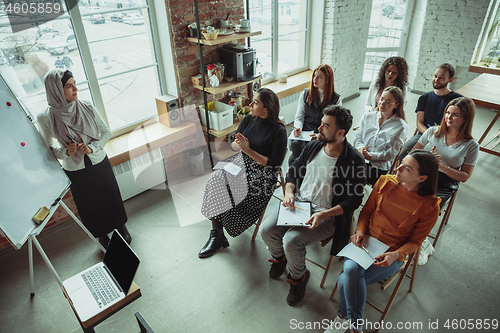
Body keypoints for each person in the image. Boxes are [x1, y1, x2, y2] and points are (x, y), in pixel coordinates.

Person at [324, 150, 441, 333]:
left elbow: (415, 242)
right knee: (351, 271)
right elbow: (366, 212)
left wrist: (396, 254)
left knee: (346, 277)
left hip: (392, 253)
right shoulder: (385, 181)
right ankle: (356, 326)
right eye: (401, 162)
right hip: (367, 241)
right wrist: (360, 230)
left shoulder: (430, 207)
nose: (399, 167)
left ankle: (343, 318)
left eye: (407, 168)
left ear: (422, 178)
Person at [261, 105, 366, 306]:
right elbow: (293, 170)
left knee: (292, 241)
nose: (319, 128)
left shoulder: (354, 161)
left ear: (341, 132)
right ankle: (280, 259)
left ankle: (298, 278)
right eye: (321, 123)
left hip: (325, 215)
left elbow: (354, 200)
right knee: (266, 230)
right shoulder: (314, 146)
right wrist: (289, 191)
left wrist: (325, 214)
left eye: (326, 126)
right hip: (299, 204)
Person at [37, 69, 131, 249]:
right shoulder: (45, 117)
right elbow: (47, 149)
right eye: (68, 86)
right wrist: (65, 151)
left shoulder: (86, 106)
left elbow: (106, 132)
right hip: (75, 169)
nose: (75, 89)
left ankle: (121, 227)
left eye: (75, 83)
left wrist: (92, 147)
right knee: (89, 204)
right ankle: (101, 235)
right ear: (56, 90)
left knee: (110, 195)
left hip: (98, 161)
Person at [199, 87, 287, 258]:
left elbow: (274, 165)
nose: (251, 104)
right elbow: (233, 145)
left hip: (263, 173)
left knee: (236, 190)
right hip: (242, 162)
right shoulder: (248, 120)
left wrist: (247, 151)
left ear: (267, 109)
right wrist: (238, 145)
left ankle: (223, 231)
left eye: (256, 102)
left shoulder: (279, 131)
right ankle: (217, 234)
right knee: (216, 178)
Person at [412, 97, 479, 206]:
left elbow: (465, 176)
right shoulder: (432, 131)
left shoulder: (472, 145)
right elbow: (413, 152)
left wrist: (443, 167)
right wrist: (426, 158)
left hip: (445, 182)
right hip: (423, 172)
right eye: (448, 112)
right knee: (404, 194)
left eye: (455, 115)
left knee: (427, 206)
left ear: (466, 118)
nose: (449, 117)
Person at [399, 63, 463, 162]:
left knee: (440, 160)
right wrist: (430, 136)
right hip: (424, 134)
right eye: (435, 76)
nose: (436, 80)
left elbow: (459, 125)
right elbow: (419, 123)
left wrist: (439, 139)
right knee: (405, 152)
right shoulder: (424, 98)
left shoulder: (458, 100)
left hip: (447, 137)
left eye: (441, 77)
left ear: (450, 79)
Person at [289, 64, 342, 166]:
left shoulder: (336, 99)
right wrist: (298, 128)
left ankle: (300, 172)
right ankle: (304, 170)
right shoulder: (305, 94)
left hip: (322, 133)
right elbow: (299, 117)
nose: (315, 79)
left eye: (319, 77)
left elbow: (335, 125)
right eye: (314, 76)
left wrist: (320, 135)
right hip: (304, 131)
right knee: (295, 144)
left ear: (327, 80)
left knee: (297, 157)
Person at [354, 86, 408, 185]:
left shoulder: (401, 126)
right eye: (381, 99)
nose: (382, 103)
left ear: (396, 105)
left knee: (355, 180)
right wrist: (361, 148)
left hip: (379, 167)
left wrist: (371, 157)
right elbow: (358, 138)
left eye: (388, 102)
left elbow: (391, 153)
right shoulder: (368, 116)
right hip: (360, 159)